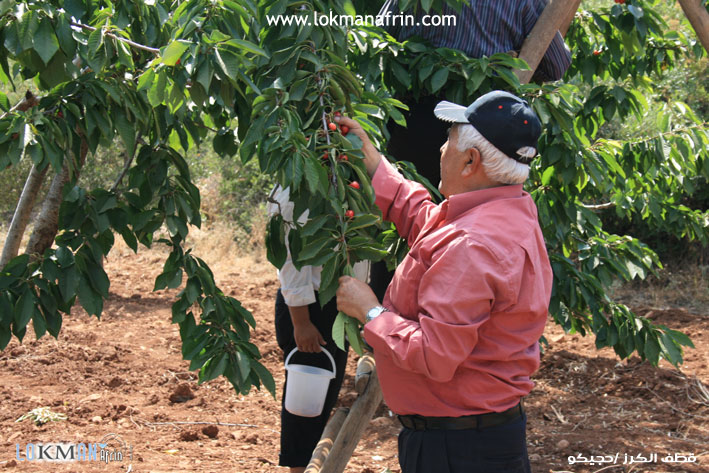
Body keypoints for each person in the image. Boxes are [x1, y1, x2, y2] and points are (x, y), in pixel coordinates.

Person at [334, 90, 553, 473]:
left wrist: (369, 311)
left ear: (470, 161)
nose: (440, 149)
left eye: (449, 140)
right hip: (475, 439)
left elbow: (434, 354)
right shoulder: (507, 210)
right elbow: (428, 223)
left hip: (457, 452)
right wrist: (372, 161)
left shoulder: (472, 245)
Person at [368, 0, 571, 302]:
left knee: (400, 236)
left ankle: (388, 313)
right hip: (489, 127)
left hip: (414, 120)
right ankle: (439, 311)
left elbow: (378, 39)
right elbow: (556, 65)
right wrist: (506, 62)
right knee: (468, 226)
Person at [267, 187, 369, 473]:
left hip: (332, 305)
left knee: (321, 401)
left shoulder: (338, 183)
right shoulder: (297, 190)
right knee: (305, 406)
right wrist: (301, 321)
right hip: (310, 309)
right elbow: (291, 259)